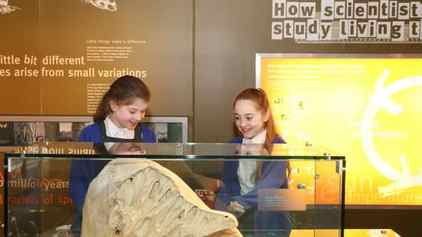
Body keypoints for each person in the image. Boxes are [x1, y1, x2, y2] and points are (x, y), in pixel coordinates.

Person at [69, 75, 156, 235]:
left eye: (143, 111)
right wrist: (90, 214)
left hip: (136, 221)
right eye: (132, 111)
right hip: (95, 218)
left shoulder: (148, 136)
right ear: (114, 105)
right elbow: (78, 182)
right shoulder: (90, 134)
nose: (138, 117)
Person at [215, 88, 291, 236]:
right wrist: (220, 213)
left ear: (266, 115)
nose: (242, 124)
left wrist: (239, 204)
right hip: (239, 222)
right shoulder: (234, 144)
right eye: (237, 117)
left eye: (249, 117)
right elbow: (228, 183)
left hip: (270, 224)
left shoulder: (277, 145)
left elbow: (269, 185)